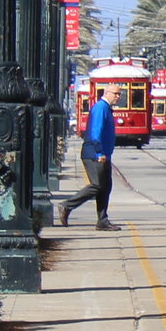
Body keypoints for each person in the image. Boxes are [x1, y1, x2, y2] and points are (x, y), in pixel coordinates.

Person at [59, 87, 119, 229]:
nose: (118, 96)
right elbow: (95, 131)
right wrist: (99, 152)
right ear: (107, 93)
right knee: (97, 185)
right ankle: (67, 205)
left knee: (105, 187)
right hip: (94, 154)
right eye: (116, 94)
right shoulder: (100, 108)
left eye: (119, 94)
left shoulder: (106, 108)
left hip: (104, 155)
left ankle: (102, 220)